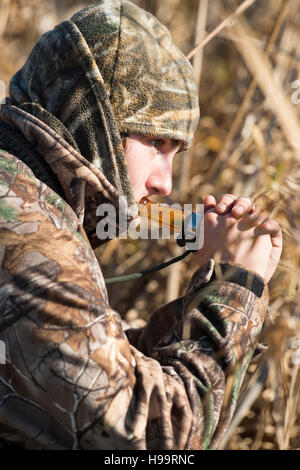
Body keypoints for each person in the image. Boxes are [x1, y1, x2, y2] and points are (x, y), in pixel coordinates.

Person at [0, 0, 281, 450]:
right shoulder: (33, 244)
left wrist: (197, 304)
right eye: (155, 142)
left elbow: (64, 371)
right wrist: (232, 292)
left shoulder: (21, 195)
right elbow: (149, 442)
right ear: (93, 119)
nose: (165, 184)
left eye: (176, 154)